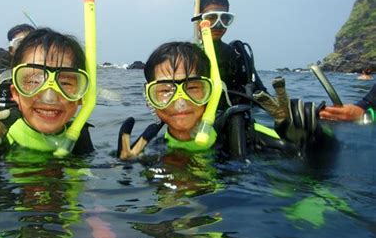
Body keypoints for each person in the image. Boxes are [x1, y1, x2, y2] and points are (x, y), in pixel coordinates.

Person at [118, 42, 333, 160]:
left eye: (193, 88)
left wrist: (314, 139)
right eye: (165, 91)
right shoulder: (148, 151)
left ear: (210, 92)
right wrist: (124, 168)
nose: (180, 102)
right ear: (150, 99)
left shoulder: (244, 134)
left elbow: (318, 159)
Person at [0, 28, 95, 175]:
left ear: (81, 96)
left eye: (66, 83)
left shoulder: (79, 136)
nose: (50, 97)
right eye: (34, 81)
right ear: (15, 93)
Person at [191, 0, 267, 107]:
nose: (218, 24)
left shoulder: (237, 55)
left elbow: (261, 95)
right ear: (198, 19)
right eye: (211, 17)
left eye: (224, 18)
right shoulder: (187, 56)